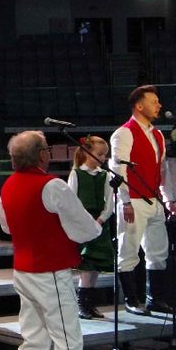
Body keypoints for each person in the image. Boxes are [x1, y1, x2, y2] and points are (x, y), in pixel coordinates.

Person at [0, 130, 106, 350]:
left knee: (33, 341)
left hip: (24, 270)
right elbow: (85, 229)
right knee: (69, 344)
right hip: (50, 272)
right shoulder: (52, 185)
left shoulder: (8, 184)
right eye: (47, 148)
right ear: (42, 155)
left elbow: (6, 226)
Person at [109, 85, 175, 315]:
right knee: (129, 249)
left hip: (154, 200)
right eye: (153, 101)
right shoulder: (124, 132)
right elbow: (118, 169)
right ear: (139, 106)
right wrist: (125, 201)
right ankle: (131, 300)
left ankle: (154, 298)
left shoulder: (157, 134)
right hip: (134, 199)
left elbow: (162, 169)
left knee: (157, 251)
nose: (159, 105)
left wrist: (168, 199)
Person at [68, 136, 115, 320]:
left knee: (96, 265)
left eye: (105, 155)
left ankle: (90, 303)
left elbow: (109, 203)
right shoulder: (77, 174)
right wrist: (85, 222)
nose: (103, 158)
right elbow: (72, 200)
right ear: (87, 153)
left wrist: (101, 220)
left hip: (99, 224)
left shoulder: (105, 175)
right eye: (100, 154)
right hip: (84, 223)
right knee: (87, 264)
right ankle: (82, 303)